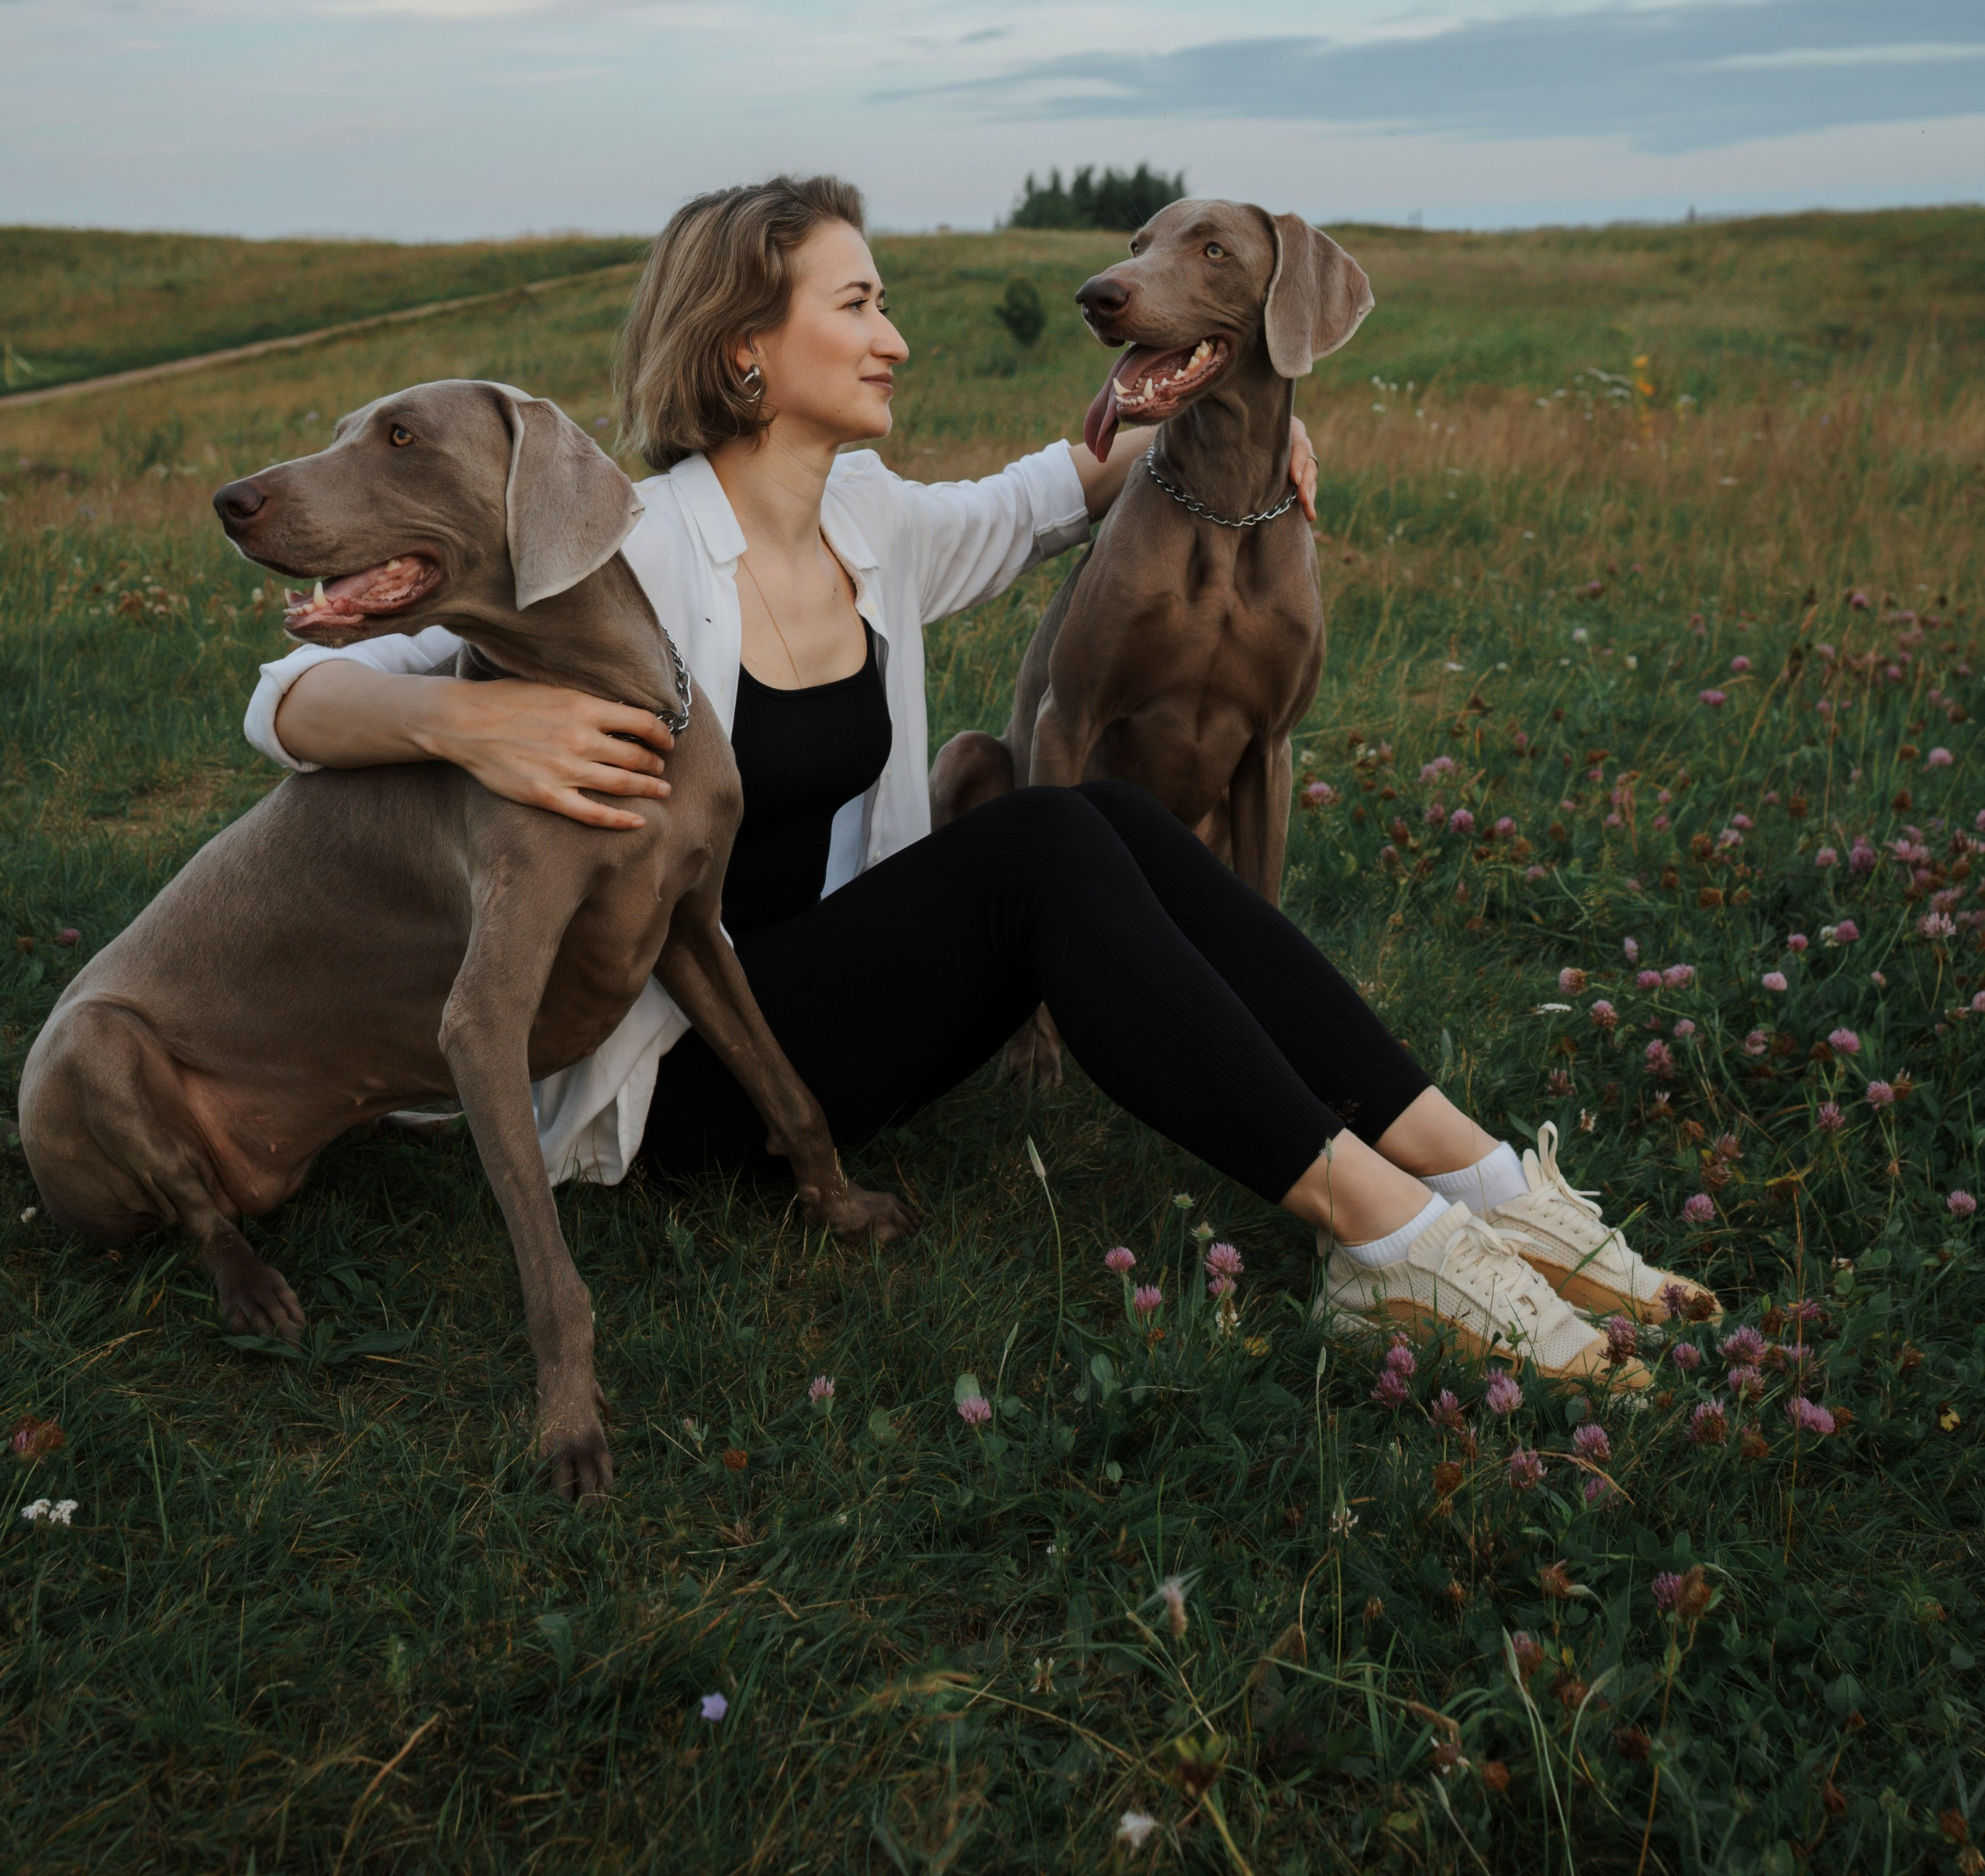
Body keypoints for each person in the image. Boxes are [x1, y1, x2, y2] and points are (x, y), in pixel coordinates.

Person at [248, 173, 1707, 1386]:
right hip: (682, 1080)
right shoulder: (626, 545)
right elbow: (285, 696)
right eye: (859, 304)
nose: (893, 338)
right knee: (1048, 844)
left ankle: (1496, 1190)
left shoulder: (873, 523)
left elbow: (1061, 484)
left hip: (844, 1025)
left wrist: (1255, 416)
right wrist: (465, 729)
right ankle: (1388, 1243)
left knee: (1108, 819)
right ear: (748, 349)